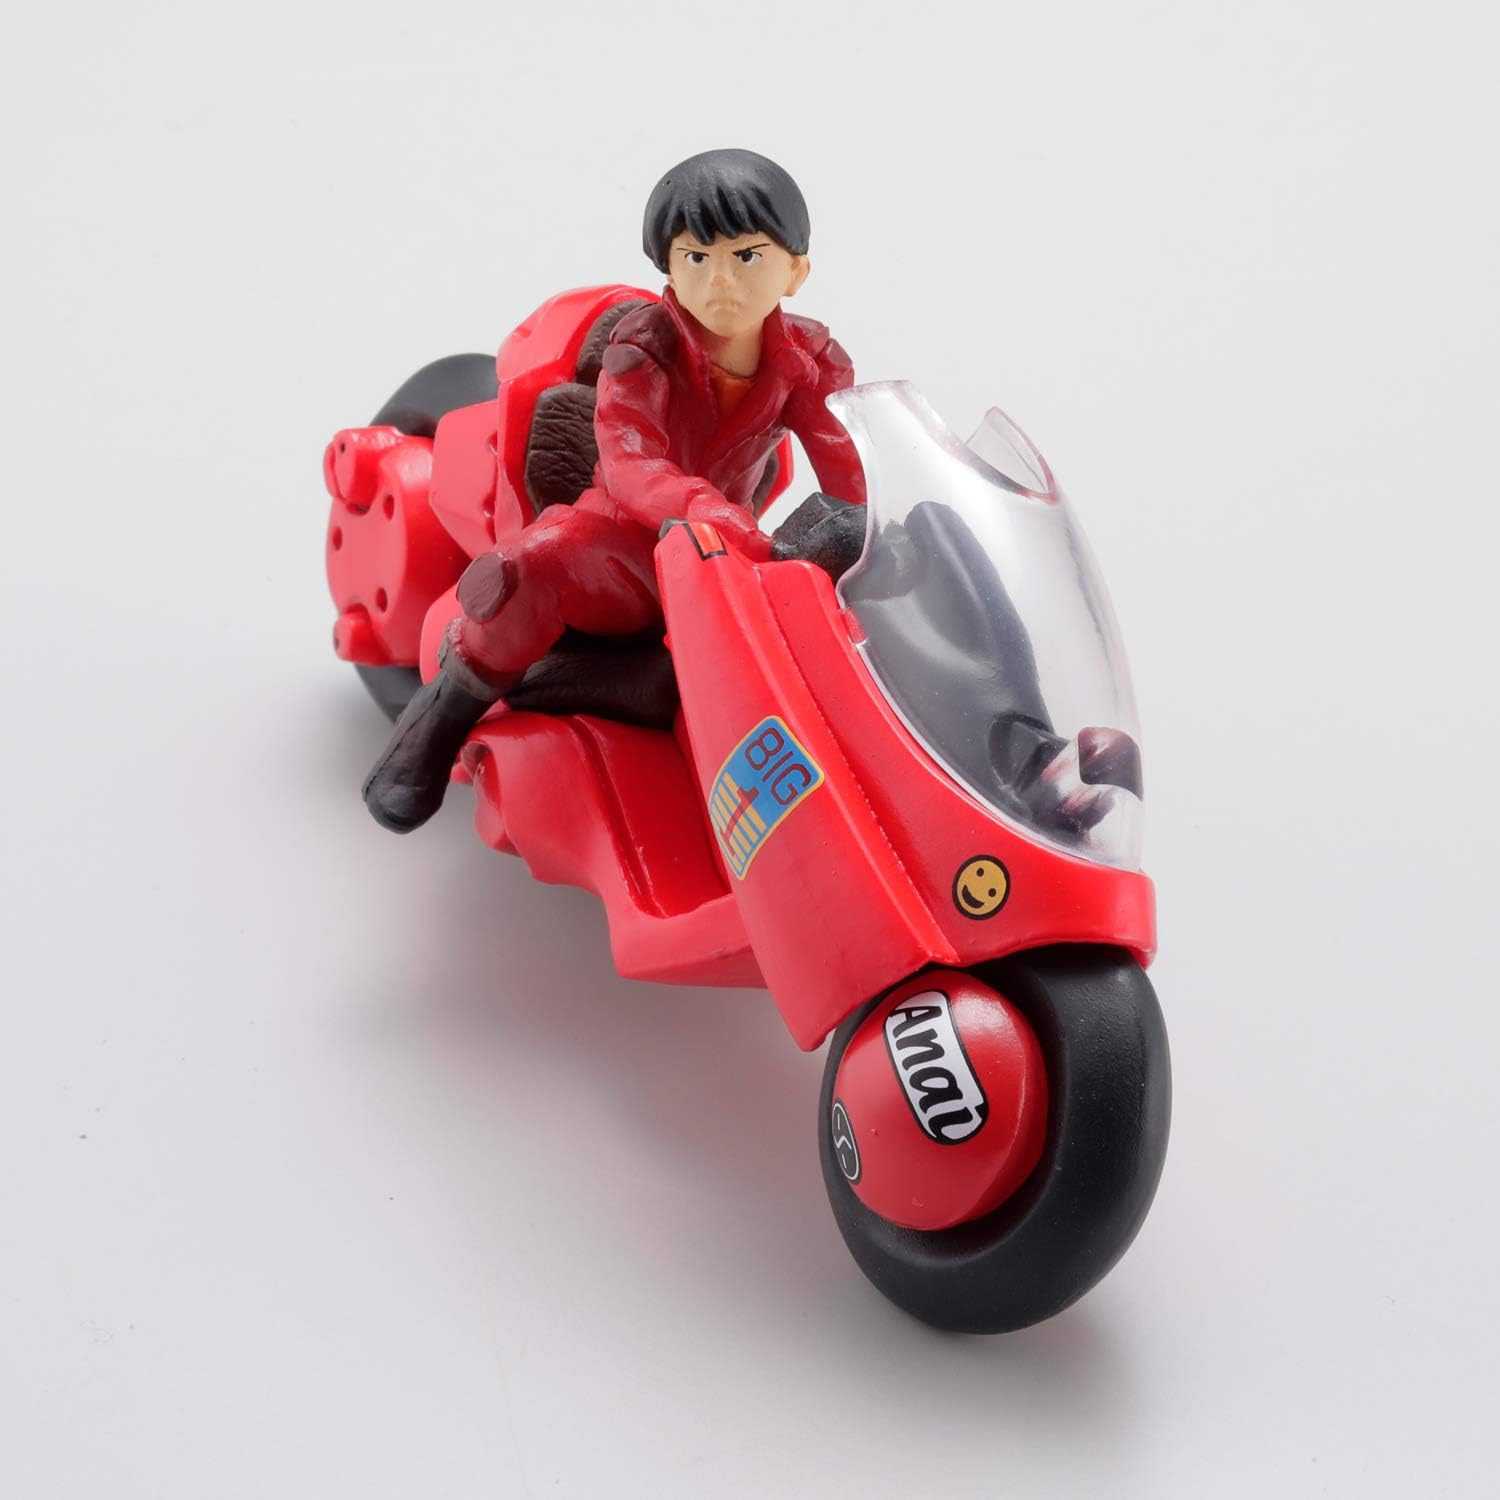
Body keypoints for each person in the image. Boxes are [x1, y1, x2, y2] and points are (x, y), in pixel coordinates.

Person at [363, 148, 866, 833]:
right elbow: (631, 462)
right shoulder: (643, 348)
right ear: (669, 270)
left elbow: (849, 457)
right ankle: (441, 717)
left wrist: (887, 522)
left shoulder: (810, 360)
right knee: (532, 566)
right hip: (625, 544)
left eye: (747, 256)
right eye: (695, 258)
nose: (720, 280)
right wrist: (702, 510)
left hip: (733, 554)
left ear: (796, 271)